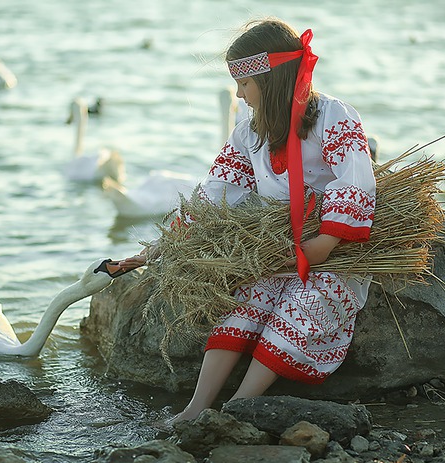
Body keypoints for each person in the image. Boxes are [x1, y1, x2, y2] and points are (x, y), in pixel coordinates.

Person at [115, 17, 377, 424]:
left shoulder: (333, 116)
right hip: (276, 249)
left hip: (330, 252)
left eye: (245, 84)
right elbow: (214, 194)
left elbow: (355, 178)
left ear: (270, 80)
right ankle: (197, 407)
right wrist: (159, 247)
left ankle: (239, 406)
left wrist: (326, 241)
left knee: (301, 308)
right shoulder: (248, 133)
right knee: (244, 303)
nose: (239, 94)